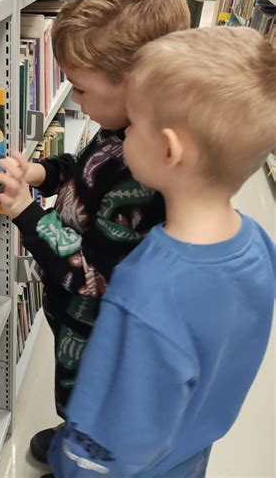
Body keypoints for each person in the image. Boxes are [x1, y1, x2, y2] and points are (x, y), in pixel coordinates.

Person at [47, 26, 276, 477]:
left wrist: (71, 463)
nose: (123, 136)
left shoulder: (146, 287)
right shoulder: (258, 244)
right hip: (188, 452)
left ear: (169, 149)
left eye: (134, 123)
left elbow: (111, 432)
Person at [0, 0, 190, 463]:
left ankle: (81, 451)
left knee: (89, 399)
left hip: (98, 326)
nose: (76, 101)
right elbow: (83, 169)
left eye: (80, 90)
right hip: (73, 316)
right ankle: (73, 432)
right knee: (76, 397)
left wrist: (25, 212)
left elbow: (90, 277)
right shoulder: (121, 129)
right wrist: (43, 174)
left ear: (137, 85)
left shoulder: (143, 177)